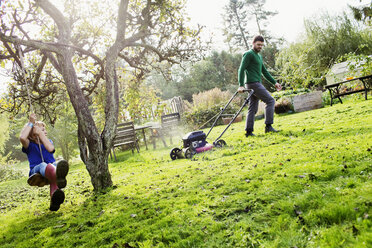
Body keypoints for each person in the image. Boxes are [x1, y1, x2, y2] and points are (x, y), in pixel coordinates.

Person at [19, 113, 69, 211]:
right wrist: (30, 122)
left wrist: (40, 134)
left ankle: (54, 201)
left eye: (44, 130)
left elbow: (50, 149)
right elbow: (22, 138)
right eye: (42, 130)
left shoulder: (48, 141)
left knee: (56, 164)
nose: (45, 132)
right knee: (44, 165)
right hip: (37, 171)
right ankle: (59, 176)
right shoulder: (29, 145)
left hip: (51, 169)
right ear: (33, 135)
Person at [237, 35, 282, 136]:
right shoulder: (248, 54)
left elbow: (264, 72)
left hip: (255, 83)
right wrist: (240, 85)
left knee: (252, 108)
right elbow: (241, 69)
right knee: (270, 100)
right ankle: (268, 126)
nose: (260, 47)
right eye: (258, 45)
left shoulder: (259, 56)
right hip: (253, 84)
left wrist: (274, 82)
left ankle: (248, 132)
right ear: (253, 43)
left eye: (262, 45)